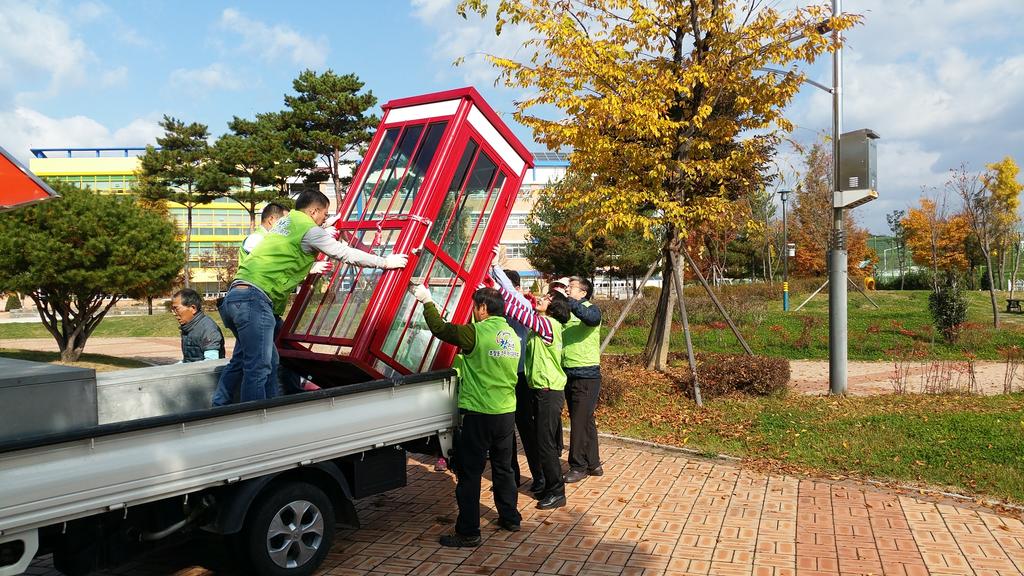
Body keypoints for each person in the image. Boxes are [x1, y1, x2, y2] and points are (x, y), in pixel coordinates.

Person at [212, 190, 408, 406]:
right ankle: (255, 419)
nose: (324, 219)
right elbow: (345, 253)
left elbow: (297, 242)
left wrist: (324, 227)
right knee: (258, 366)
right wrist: (385, 262)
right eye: (324, 214)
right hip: (254, 302)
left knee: (265, 359)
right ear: (314, 211)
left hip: (236, 299)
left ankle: (267, 409)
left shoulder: (285, 223)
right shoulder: (309, 230)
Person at [410, 284, 521, 547]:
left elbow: (441, 329)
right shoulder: (512, 335)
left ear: (482, 308)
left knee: (469, 474)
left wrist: (427, 300)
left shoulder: (476, 333)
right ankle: (510, 517)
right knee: (504, 468)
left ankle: (469, 531)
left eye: (474, 307)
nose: (473, 312)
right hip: (506, 412)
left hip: (479, 413)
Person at [491, 267, 569, 510]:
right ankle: (549, 486)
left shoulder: (547, 326)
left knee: (545, 443)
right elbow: (516, 304)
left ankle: (556, 490)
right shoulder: (545, 324)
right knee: (542, 440)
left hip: (549, 391)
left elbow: (515, 308)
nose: (541, 299)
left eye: (547, 299)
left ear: (554, 308)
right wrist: (494, 271)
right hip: (542, 390)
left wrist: (491, 295)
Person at [562, 275, 604, 483]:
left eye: (571, 287)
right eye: (568, 287)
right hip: (569, 374)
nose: (568, 290)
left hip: (586, 375)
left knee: (578, 423)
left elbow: (591, 319)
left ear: (583, 292)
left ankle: (577, 466)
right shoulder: (568, 311)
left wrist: (570, 302)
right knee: (585, 421)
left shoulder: (591, 309)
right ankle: (594, 463)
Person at [171, 288, 225, 363]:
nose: (174, 313)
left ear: (193, 308)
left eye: (176, 309)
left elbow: (211, 362)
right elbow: (188, 360)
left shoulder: (208, 328)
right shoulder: (188, 328)